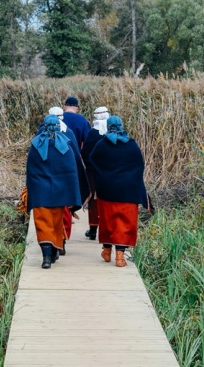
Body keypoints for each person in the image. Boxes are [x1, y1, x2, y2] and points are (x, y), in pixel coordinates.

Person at [89, 115, 149, 267]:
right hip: (128, 192)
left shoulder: (101, 145)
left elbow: (92, 163)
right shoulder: (132, 145)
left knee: (107, 221)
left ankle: (107, 251)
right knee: (125, 223)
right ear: (122, 126)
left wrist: (101, 180)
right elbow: (139, 166)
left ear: (108, 127)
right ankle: (120, 257)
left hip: (106, 191)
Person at [26, 115, 83, 269]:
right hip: (60, 193)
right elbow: (72, 172)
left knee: (42, 223)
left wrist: (32, 190)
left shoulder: (35, 145)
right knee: (56, 222)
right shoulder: (66, 146)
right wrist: (72, 194)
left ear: (44, 126)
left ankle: (45, 256)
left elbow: (30, 171)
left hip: (40, 192)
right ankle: (53, 252)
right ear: (58, 126)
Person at [81, 107, 110, 241]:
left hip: (93, 171)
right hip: (110, 171)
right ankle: (107, 228)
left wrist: (89, 165)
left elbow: (85, 152)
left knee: (94, 199)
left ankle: (93, 230)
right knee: (108, 198)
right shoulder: (114, 132)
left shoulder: (93, 133)